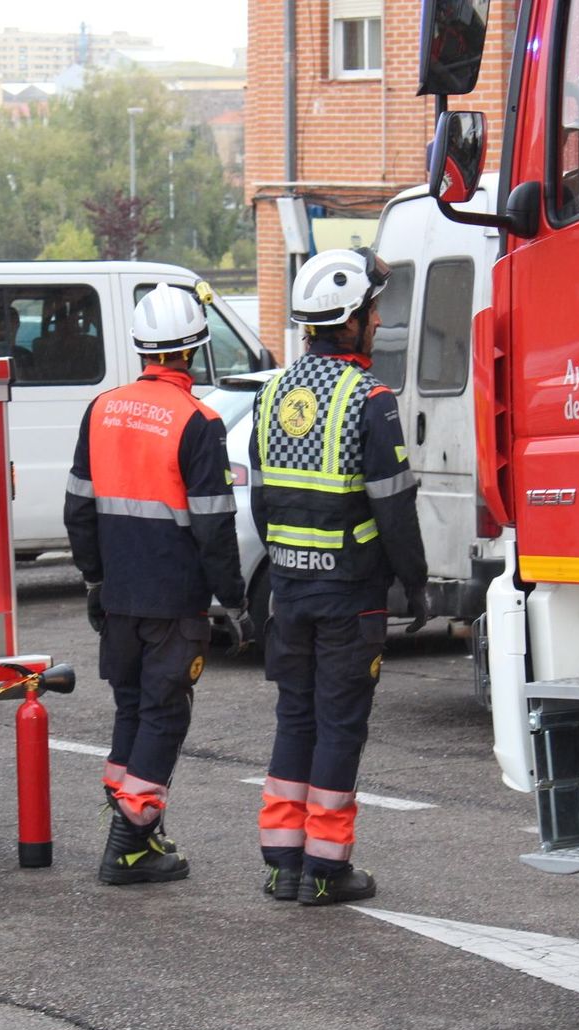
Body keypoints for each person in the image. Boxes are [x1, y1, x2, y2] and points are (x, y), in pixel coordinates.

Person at [250, 248, 428, 906]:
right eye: (372, 311)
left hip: (289, 594)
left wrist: (291, 564)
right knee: (340, 726)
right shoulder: (369, 401)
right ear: (349, 321)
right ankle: (325, 869)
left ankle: (282, 863)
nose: (378, 321)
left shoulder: (271, 396)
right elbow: (394, 508)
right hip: (349, 597)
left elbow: (262, 504)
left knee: (295, 720)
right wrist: (416, 583)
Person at [65, 283, 255, 885]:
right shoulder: (200, 421)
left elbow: (78, 509)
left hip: (119, 595)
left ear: (142, 347)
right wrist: (235, 600)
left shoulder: (101, 409)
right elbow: (214, 524)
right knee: (164, 716)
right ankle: (129, 845)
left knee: (132, 709)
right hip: (175, 601)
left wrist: (95, 579)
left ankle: (134, 829)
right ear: (194, 348)